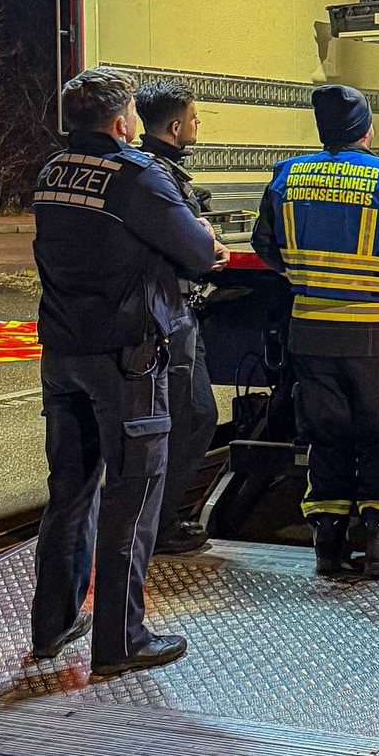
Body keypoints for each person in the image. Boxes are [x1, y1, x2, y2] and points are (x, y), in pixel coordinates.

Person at [29, 68, 226, 677]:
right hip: (125, 359)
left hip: (63, 354)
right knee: (132, 496)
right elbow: (199, 252)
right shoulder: (138, 177)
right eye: (134, 113)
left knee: (70, 492)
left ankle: (53, 625)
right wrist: (207, 240)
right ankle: (120, 641)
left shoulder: (52, 172)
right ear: (120, 123)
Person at [251, 84, 379, 578]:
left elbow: (264, 244)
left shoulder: (287, 175)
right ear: (367, 130)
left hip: (310, 331)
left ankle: (328, 545)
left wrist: (306, 278)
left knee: (326, 434)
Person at [134, 79, 221, 556]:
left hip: (171, 313)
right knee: (190, 417)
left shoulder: (153, 171)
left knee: (186, 416)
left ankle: (157, 519)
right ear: (173, 127)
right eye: (193, 118)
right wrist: (207, 245)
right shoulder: (157, 177)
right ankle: (160, 524)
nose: (197, 124)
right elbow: (191, 251)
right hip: (171, 316)